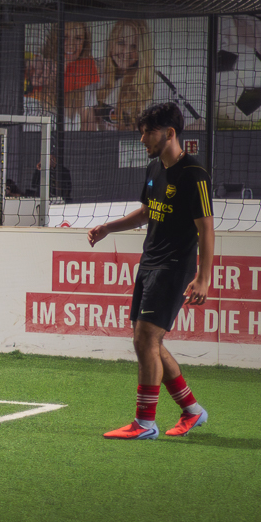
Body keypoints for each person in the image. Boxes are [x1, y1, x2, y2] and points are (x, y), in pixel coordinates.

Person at [86, 102, 213, 440]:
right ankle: (192, 410)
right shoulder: (155, 167)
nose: (142, 139)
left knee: (145, 339)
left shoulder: (194, 174)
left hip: (174, 268)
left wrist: (203, 277)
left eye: (147, 133)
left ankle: (145, 423)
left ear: (169, 133)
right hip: (149, 264)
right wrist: (108, 228)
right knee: (148, 341)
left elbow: (206, 228)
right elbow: (145, 213)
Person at [83, 19, 155, 132]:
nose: (125, 52)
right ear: (112, 43)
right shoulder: (96, 71)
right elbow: (87, 125)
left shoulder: (150, 83)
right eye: (121, 43)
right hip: (103, 142)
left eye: (134, 46)